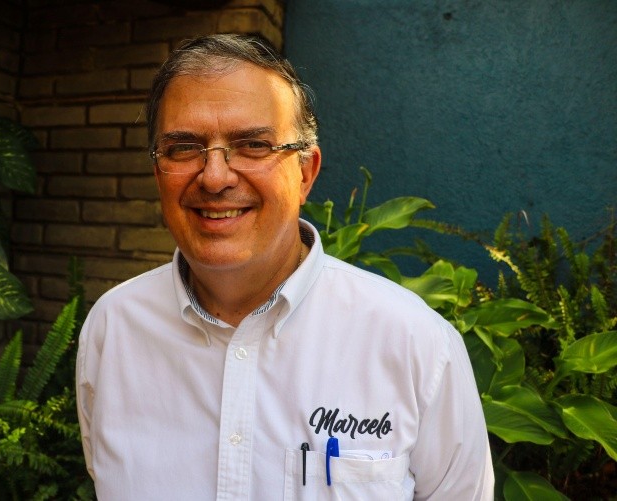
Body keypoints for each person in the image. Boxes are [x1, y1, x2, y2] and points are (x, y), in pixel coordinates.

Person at [76, 33, 494, 500]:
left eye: (253, 144)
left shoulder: (415, 344)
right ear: (159, 172)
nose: (214, 177)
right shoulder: (113, 329)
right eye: (184, 147)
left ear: (305, 173)